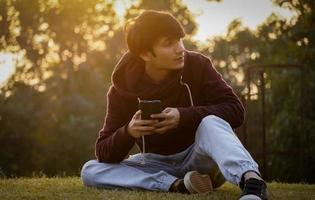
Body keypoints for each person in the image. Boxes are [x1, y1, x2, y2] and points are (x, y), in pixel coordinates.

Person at [81, 10, 268, 200]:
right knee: (90, 170)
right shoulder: (121, 90)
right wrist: (129, 131)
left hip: (201, 158)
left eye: (179, 40)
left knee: (210, 122)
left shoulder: (198, 65)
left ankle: (253, 183)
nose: (180, 49)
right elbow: (104, 152)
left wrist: (183, 116)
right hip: (156, 164)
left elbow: (236, 111)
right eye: (168, 44)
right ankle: (177, 186)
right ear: (146, 54)